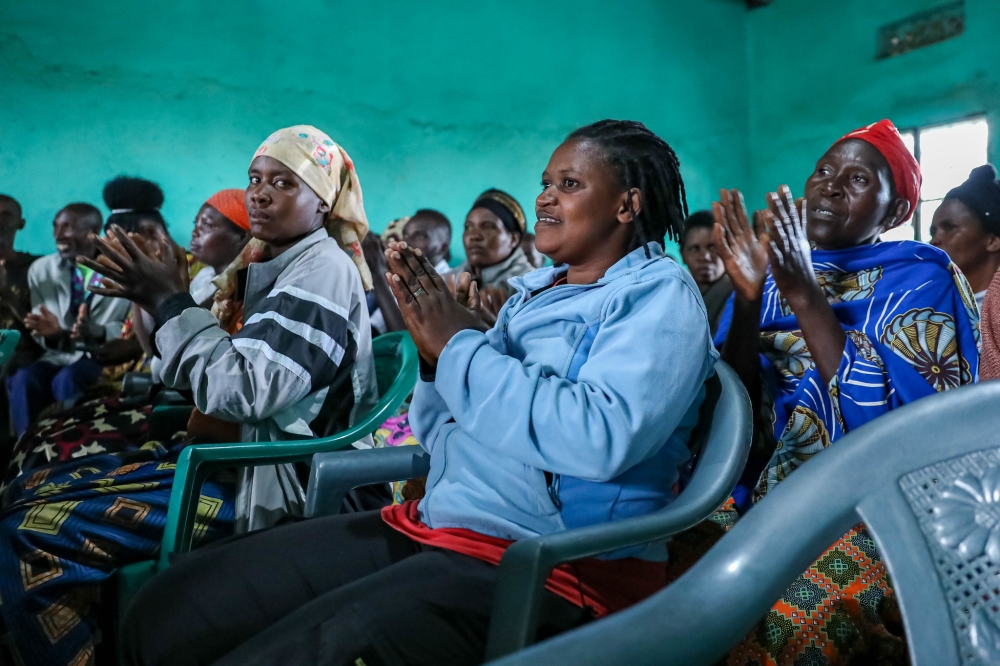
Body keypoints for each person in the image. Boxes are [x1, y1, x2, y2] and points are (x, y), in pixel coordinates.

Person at [120, 119, 716, 666]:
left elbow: (599, 440)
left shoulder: (658, 297)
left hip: (553, 565)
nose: (544, 198)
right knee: (176, 604)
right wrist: (435, 362)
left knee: (293, 651)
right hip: (442, 523)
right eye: (544, 182)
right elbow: (442, 433)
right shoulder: (540, 293)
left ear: (627, 203)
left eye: (569, 183)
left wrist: (459, 346)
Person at [712, 119, 979, 665]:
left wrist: (806, 295)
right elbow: (726, 408)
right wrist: (743, 299)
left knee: (798, 627)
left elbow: (909, 437)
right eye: (824, 172)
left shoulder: (923, 276)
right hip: (751, 490)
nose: (830, 187)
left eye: (858, 181)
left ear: (896, 213)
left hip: (870, 509)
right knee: (660, 578)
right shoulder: (770, 271)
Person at [2, 189, 252, 482]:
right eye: (196, 222)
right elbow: (154, 349)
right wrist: (140, 295)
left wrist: (159, 295)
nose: (194, 232)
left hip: (177, 405)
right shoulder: (203, 279)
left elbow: (161, 359)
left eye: (207, 226)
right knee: (36, 416)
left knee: (55, 436)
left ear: (243, 237)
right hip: (152, 386)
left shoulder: (235, 289)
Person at [6, 204, 130, 436]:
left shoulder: (119, 271)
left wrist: (97, 331)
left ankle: (69, 447)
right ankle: (24, 449)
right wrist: (56, 336)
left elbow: (124, 327)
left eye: (68, 227)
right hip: (58, 352)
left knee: (67, 379)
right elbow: (42, 327)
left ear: (94, 229)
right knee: (24, 379)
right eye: (56, 226)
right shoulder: (41, 270)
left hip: (100, 355)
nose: (58, 235)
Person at [930, 164, 1000, 310]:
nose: (934, 241)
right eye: (933, 231)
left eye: (949, 227)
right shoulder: (933, 311)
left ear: (993, 241)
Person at [446, 188, 535, 299]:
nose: (474, 235)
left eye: (488, 227)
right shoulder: (446, 283)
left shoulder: (531, 288)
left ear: (513, 239)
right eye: (468, 227)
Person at [681, 210, 733, 334]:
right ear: (683, 255)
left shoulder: (734, 292)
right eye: (695, 249)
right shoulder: (678, 293)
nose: (705, 256)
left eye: (713, 247)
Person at [402, 208, 452, 273]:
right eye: (405, 234)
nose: (405, 243)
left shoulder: (455, 281)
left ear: (443, 248)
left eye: (420, 237)